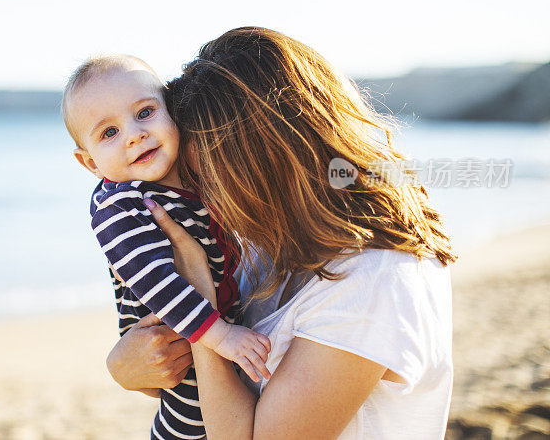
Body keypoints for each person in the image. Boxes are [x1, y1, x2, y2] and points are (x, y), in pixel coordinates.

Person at [106, 27, 457, 439]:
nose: (207, 197)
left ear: (270, 156)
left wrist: (200, 308)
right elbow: (207, 377)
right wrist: (127, 368)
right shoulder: (266, 242)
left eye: (215, 178)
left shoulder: (372, 279)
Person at [61, 54, 271, 440]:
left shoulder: (193, 179)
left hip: (213, 333)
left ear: (172, 112)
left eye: (145, 112)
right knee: (191, 424)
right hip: (179, 346)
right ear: (89, 162)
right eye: (109, 133)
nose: (134, 134)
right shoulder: (120, 205)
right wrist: (220, 335)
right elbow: (157, 281)